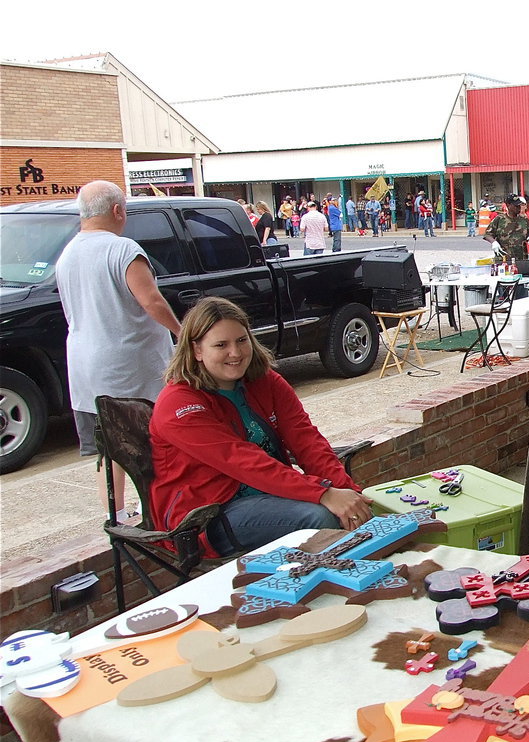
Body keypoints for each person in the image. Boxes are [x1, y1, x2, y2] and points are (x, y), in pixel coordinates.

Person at [150, 297, 373, 556]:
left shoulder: (265, 381)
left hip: (271, 495)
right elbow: (242, 461)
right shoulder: (178, 403)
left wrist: (349, 493)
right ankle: (336, 587)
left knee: (360, 509)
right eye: (221, 345)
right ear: (197, 350)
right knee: (320, 519)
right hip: (208, 515)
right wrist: (323, 494)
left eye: (241, 340)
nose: (235, 353)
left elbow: (307, 441)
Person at [56, 180, 181, 522]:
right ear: (117, 210)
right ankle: (155, 511)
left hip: (86, 369)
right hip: (132, 368)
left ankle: (116, 512)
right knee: (151, 441)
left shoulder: (67, 254)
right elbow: (151, 300)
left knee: (109, 448)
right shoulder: (123, 250)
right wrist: (182, 333)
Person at [484, 194, 529, 263]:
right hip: (503, 259)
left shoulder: (524, 220)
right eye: (515, 206)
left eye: (519, 205)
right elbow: (487, 234)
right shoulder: (499, 219)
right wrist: (494, 242)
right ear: (508, 205)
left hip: (521, 259)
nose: (518, 208)